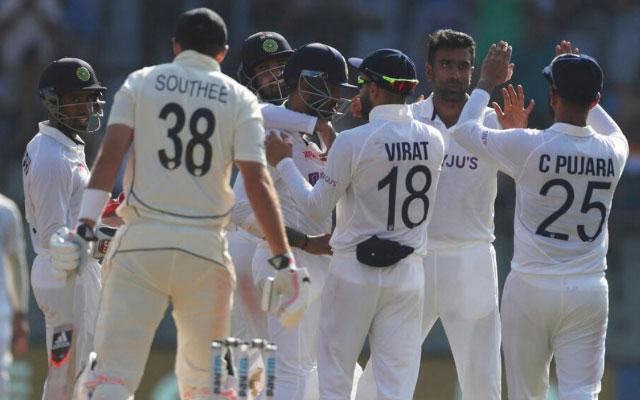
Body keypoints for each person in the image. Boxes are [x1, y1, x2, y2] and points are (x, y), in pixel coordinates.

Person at [49, 8, 310, 400]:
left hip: (141, 242)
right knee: (206, 386)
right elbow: (256, 182)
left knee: (112, 378)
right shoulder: (240, 99)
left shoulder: (141, 82)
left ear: (175, 47)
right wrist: (284, 258)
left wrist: (84, 227)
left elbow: (109, 156)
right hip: (205, 249)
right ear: (222, 53)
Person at [355, 29, 532, 400]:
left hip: (471, 259)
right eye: (446, 65)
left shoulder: (493, 120)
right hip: (414, 257)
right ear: (429, 71)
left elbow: (528, 179)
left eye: (463, 66)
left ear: (472, 72)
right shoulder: (409, 118)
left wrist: (518, 138)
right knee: (386, 367)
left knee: (481, 379)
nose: (455, 73)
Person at [452, 40, 628, 400]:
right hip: (589, 289)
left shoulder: (529, 146)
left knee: (526, 394)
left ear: (552, 98)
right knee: (581, 392)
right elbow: (613, 130)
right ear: (595, 101)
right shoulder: (614, 152)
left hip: (530, 288)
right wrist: (579, 73)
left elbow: (464, 131)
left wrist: (485, 82)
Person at [266, 48, 445, 400]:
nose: (357, 91)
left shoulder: (352, 141)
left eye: (363, 83)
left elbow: (317, 210)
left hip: (353, 272)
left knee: (335, 378)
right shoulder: (435, 139)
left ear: (375, 91)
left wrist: (284, 164)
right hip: (408, 274)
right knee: (395, 384)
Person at [249, 42, 358, 400]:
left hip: (317, 264)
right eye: (331, 89)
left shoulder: (321, 136)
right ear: (306, 82)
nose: (337, 98)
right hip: (283, 261)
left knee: (316, 371)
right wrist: (305, 243)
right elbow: (238, 210)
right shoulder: (270, 132)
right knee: (288, 370)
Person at [22, 57, 106, 399]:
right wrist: (106, 238)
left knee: (79, 373)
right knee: (67, 378)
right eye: (74, 99)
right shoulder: (51, 158)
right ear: (53, 102)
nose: (84, 106)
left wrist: (105, 220)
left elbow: (71, 216)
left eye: (88, 97)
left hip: (73, 272)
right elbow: (56, 237)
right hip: (65, 277)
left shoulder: (60, 145)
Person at [0, 193, 29, 398]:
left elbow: (16, 266)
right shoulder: (5, 210)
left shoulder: (6, 211)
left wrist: (19, 313)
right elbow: (16, 265)